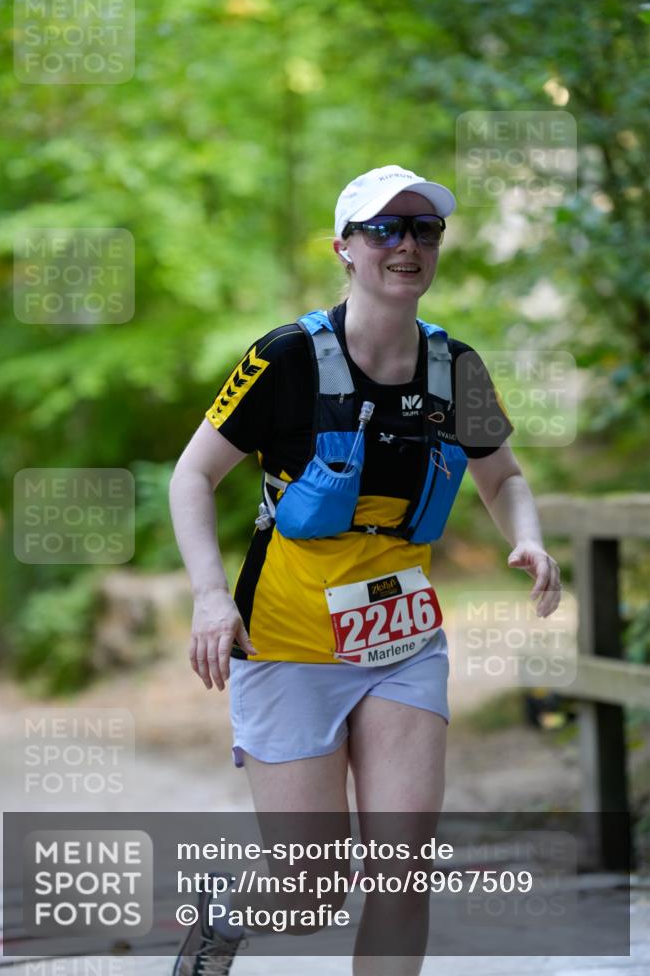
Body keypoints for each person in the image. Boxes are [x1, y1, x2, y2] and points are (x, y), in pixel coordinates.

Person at [169, 164, 562, 976]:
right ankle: (225, 917)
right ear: (345, 248)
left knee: (400, 871)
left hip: (400, 642)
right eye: (385, 229)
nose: (407, 245)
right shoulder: (285, 358)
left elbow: (502, 475)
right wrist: (210, 598)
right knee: (308, 890)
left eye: (424, 229)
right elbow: (191, 476)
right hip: (286, 637)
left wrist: (526, 536)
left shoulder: (456, 368)